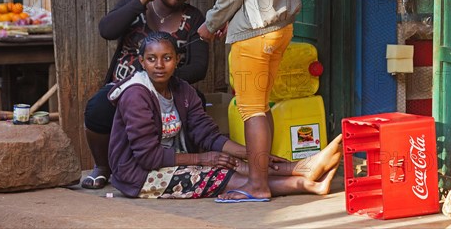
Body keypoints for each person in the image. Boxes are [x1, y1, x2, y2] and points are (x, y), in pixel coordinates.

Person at [108, 31, 343, 200]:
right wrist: (202, 159)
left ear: (177, 60)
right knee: (218, 172)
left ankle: (301, 169)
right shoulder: (136, 95)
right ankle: (304, 183)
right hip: (139, 175)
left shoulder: (183, 90)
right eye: (151, 59)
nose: (159, 65)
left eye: (167, 58)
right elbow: (148, 156)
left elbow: (207, 134)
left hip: (172, 162)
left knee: (233, 161)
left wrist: (251, 154)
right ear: (142, 62)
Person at [197, 0, 302, 202]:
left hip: (254, 36)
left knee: (251, 110)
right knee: (261, 106)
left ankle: (257, 185)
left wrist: (210, 24)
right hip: (279, 29)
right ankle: (262, 178)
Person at [81, 0, 208, 190]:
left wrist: (161, 80)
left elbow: (200, 67)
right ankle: (102, 167)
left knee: (196, 103)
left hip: (169, 90)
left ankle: (185, 163)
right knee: (97, 107)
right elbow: (106, 30)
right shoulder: (136, 2)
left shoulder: (194, 17)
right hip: (124, 88)